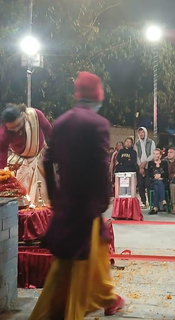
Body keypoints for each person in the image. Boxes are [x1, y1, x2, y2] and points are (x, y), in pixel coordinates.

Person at [30, 71, 124, 318]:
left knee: (76, 258)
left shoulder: (61, 122)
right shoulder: (98, 124)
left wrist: (55, 196)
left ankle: (107, 298)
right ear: (97, 96)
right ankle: (85, 304)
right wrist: (103, 200)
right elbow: (100, 165)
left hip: (67, 202)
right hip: (88, 204)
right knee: (85, 259)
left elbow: (47, 160)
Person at [0, 103, 52, 203]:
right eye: (12, 128)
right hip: (20, 165)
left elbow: (50, 132)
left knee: (46, 199)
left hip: (40, 159)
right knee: (22, 199)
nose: (15, 130)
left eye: (18, 125)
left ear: (23, 115)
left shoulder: (35, 116)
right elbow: (1, 156)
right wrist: (3, 176)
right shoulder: (4, 133)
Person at [134, 127, 156, 208]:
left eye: (143, 132)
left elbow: (153, 154)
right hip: (140, 167)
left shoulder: (151, 142)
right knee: (140, 185)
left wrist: (145, 162)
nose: (141, 134)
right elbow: (136, 156)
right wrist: (140, 166)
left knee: (148, 185)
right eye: (140, 132)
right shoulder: (137, 144)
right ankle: (143, 201)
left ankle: (151, 202)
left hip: (149, 166)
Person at [147, 148, 168, 214]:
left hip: (163, 182)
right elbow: (149, 174)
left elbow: (167, 173)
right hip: (153, 182)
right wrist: (155, 176)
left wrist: (161, 176)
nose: (155, 155)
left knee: (157, 186)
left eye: (157, 154)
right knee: (158, 183)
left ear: (160, 155)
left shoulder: (164, 163)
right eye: (154, 154)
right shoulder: (150, 163)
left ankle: (155, 208)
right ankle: (163, 200)